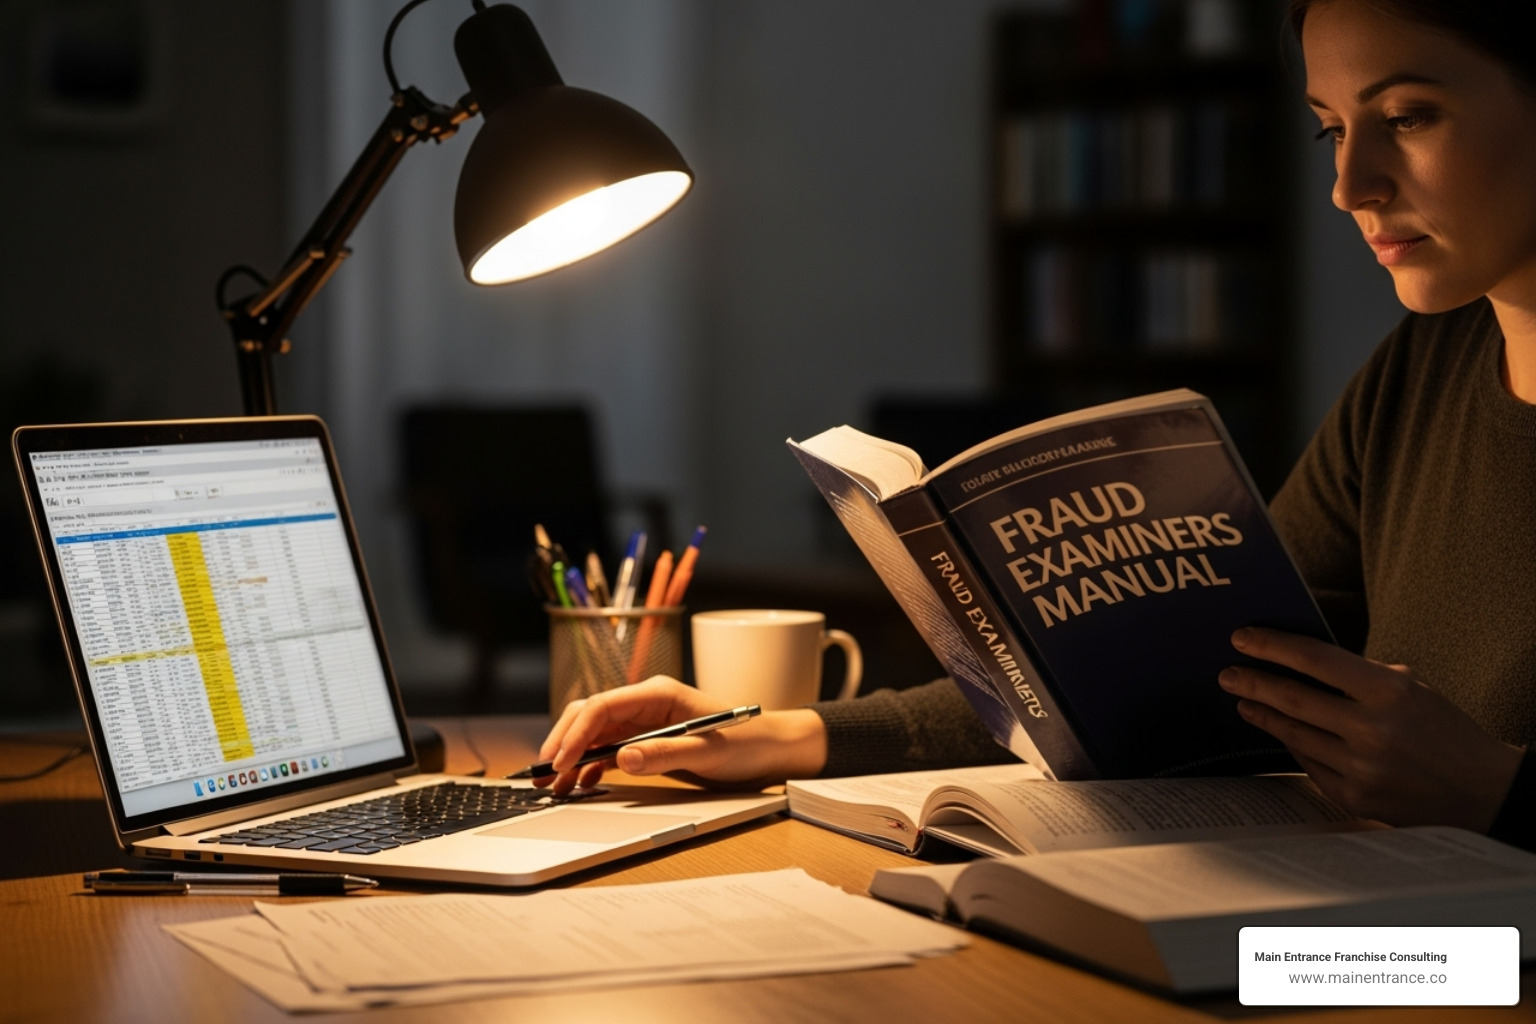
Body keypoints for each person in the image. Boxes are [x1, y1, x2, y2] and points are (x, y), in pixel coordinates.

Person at [536, 0, 1536, 848]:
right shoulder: (1421, 371)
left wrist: (1499, 790)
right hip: (1385, 925)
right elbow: (1200, 676)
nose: (1348, 184)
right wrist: (787, 733)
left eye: (1407, 116)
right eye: (1330, 128)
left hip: (1464, 961)